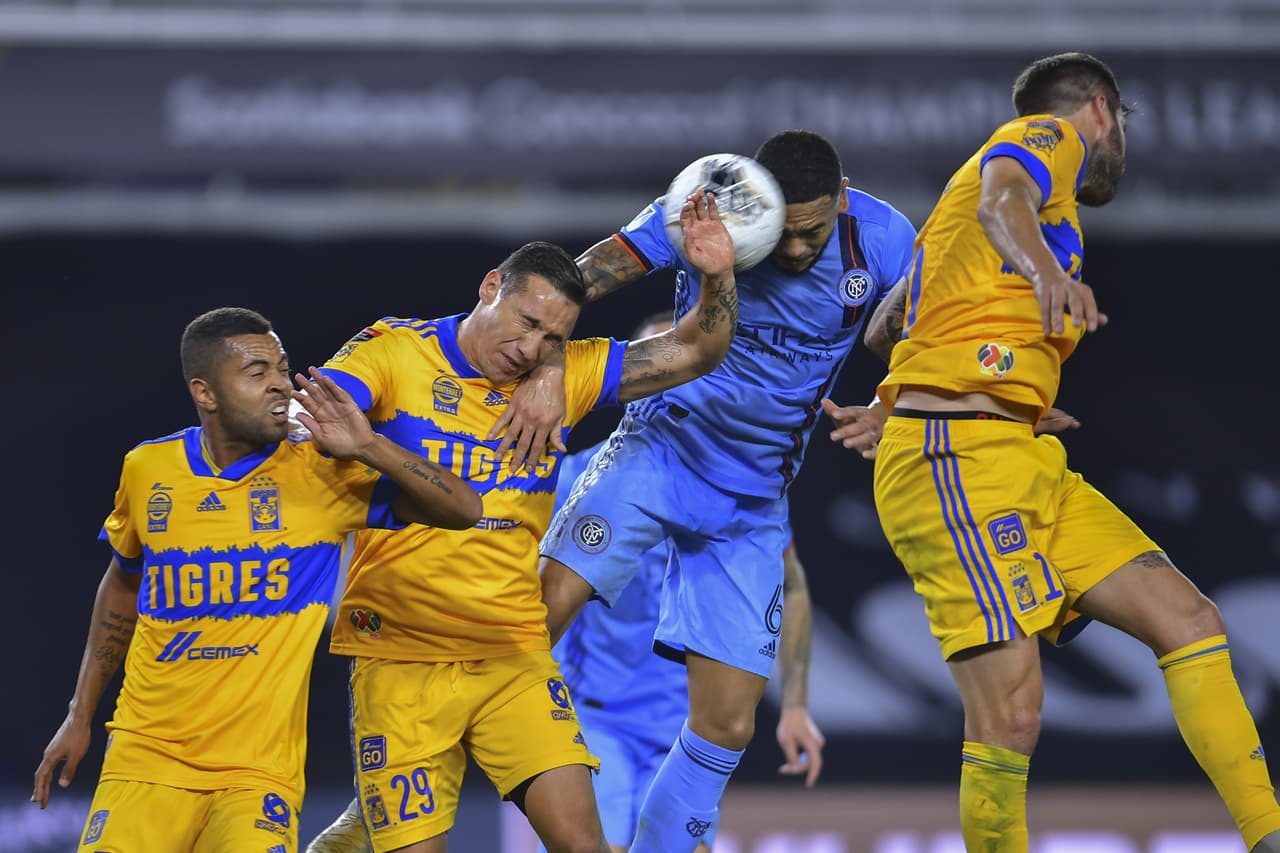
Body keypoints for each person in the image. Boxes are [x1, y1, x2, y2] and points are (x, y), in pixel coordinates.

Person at [843, 52, 1280, 852]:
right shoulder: (1048, 137)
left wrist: (967, 389)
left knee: (1189, 620)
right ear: (1103, 111)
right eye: (1120, 128)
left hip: (1012, 451)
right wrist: (1046, 276)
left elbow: (887, 326)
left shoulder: (973, 220)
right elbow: (1001, 200)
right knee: (1009, 715)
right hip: (954, 462)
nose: (1118, 151)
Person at [510, 129, 916, 852]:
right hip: (660, 452)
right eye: (784, 232)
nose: (796, 249)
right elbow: (593, 272)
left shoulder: (883, 240)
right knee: (535, 618)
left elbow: (935, 325)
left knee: (727, 723)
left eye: (814, 232)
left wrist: (896, 402)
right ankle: (425, 764)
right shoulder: (709, 205)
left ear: (843, 200)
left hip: (752, 498)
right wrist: (538, 353)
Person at [308, 197, 740, 853]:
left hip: (513, 656)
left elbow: (696, 350)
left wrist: (717, 276)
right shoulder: (395, 352)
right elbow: (322, 417)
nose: (531, 348)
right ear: (491, 287)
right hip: (403, 657)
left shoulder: (566, 375)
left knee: (584, 845)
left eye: (552, 339)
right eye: (527, 322)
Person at [31, 307, 483, 853]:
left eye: (282, 368)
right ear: (205, 393)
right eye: (256, 371)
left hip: (257, 776)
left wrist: (369, 446)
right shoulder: (148, 469)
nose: (280, 384)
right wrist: (79, 715)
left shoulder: (321, 471)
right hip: (144, 760)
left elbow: (464, 508)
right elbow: (124, 583)